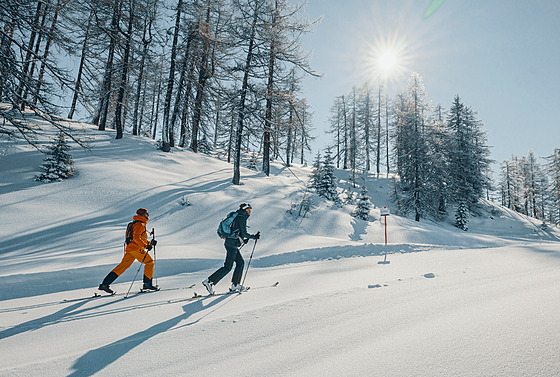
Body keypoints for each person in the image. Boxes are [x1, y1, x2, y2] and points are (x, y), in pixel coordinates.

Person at [203, 203, 260, 294]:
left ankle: (235, 285)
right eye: (248, 210)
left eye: (250, 210)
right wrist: (254, 237)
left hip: (231, 243)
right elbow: (244, 233)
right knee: (228, 267)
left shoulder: (238, 216)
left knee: (240, 263)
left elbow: (236, 231)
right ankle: (209, 281)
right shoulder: (241, 218)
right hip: (232, 244)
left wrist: (243, 240)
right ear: (244, 210)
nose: (250, 212)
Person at [98, 208, 158, 294]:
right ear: (143, 215)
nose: (148, 215)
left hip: (131, 249)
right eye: (147, 213)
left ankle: (105, 284)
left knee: (122, 266)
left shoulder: (136, 223)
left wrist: (149, 243)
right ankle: (147, 284)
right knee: (149, 262)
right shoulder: (140, 224)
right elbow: (136, 238)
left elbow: (140, 238)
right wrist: (146, 246)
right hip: (136, 249)